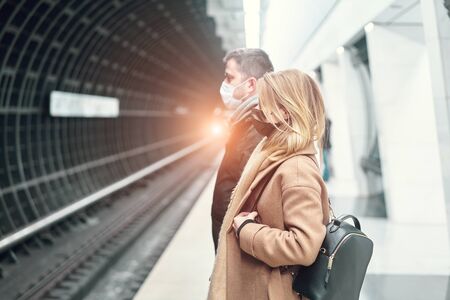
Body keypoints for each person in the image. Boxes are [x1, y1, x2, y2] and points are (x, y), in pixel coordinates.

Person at [208, 69, 331, 300]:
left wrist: (247, 230)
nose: (258, 107)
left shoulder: (296, 169)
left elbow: (303, 246)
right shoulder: (272, 153)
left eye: (264, 101)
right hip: (257, 284)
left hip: (271, 291)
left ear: (284, 111)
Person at [211, 48, 274, 253]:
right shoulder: (247, 124)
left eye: (230, 77)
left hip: (240, 252)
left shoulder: (257, 130)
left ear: (250, 84)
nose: (225, 84)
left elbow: (253, 204)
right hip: (233, 245)